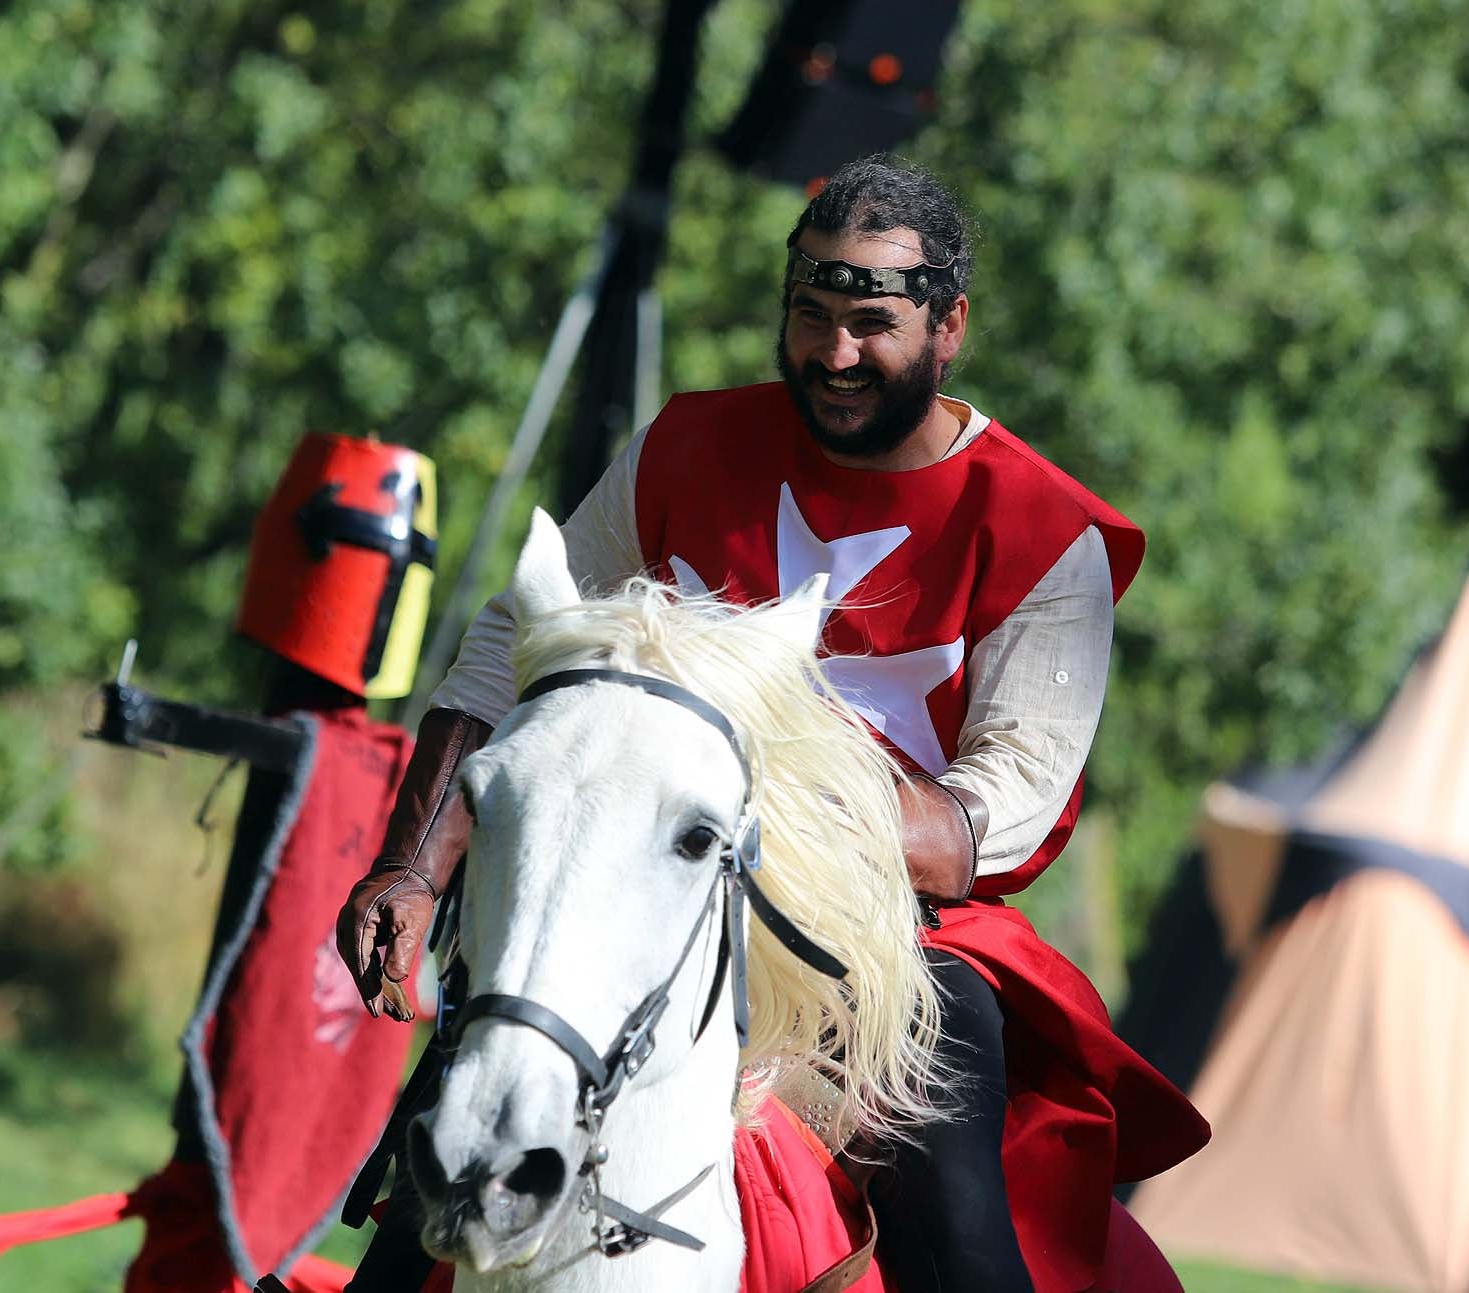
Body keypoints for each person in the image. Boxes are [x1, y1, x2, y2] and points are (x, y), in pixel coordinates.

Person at [337, 155, 1206, 1291]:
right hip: (652, 880)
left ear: (950, 329)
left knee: (955, 1214)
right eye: (811, 316)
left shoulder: (1044, 532)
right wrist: (409, 866)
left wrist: (750, 771)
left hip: (895, 942)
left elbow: (986, 826)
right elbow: (509, 652)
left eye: (872, 325)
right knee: (456, 1144)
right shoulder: (686, 445)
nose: (835, 355)